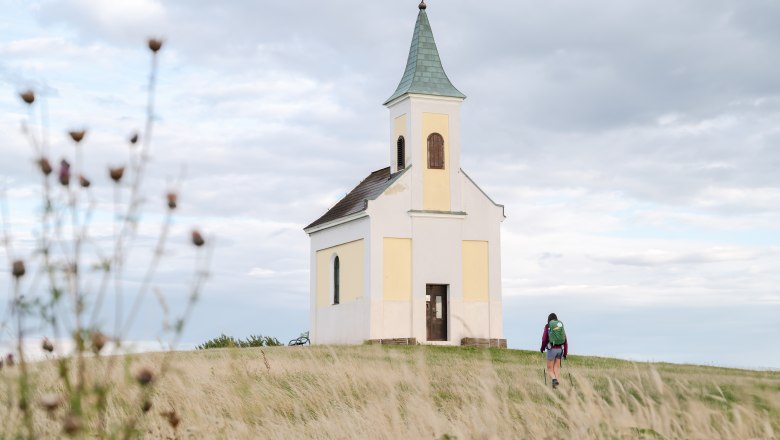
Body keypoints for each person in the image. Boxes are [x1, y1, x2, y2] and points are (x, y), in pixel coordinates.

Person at [540, 312, 568, 388]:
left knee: (549, 368)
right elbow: (565, 340)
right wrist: (565, 353)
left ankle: (554, 380)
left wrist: (542, 348)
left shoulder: (548, 326)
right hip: (560, 350)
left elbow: (544, 339)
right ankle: (556, 385)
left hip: (552, 349)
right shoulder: (560, 327)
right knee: (556, 368)